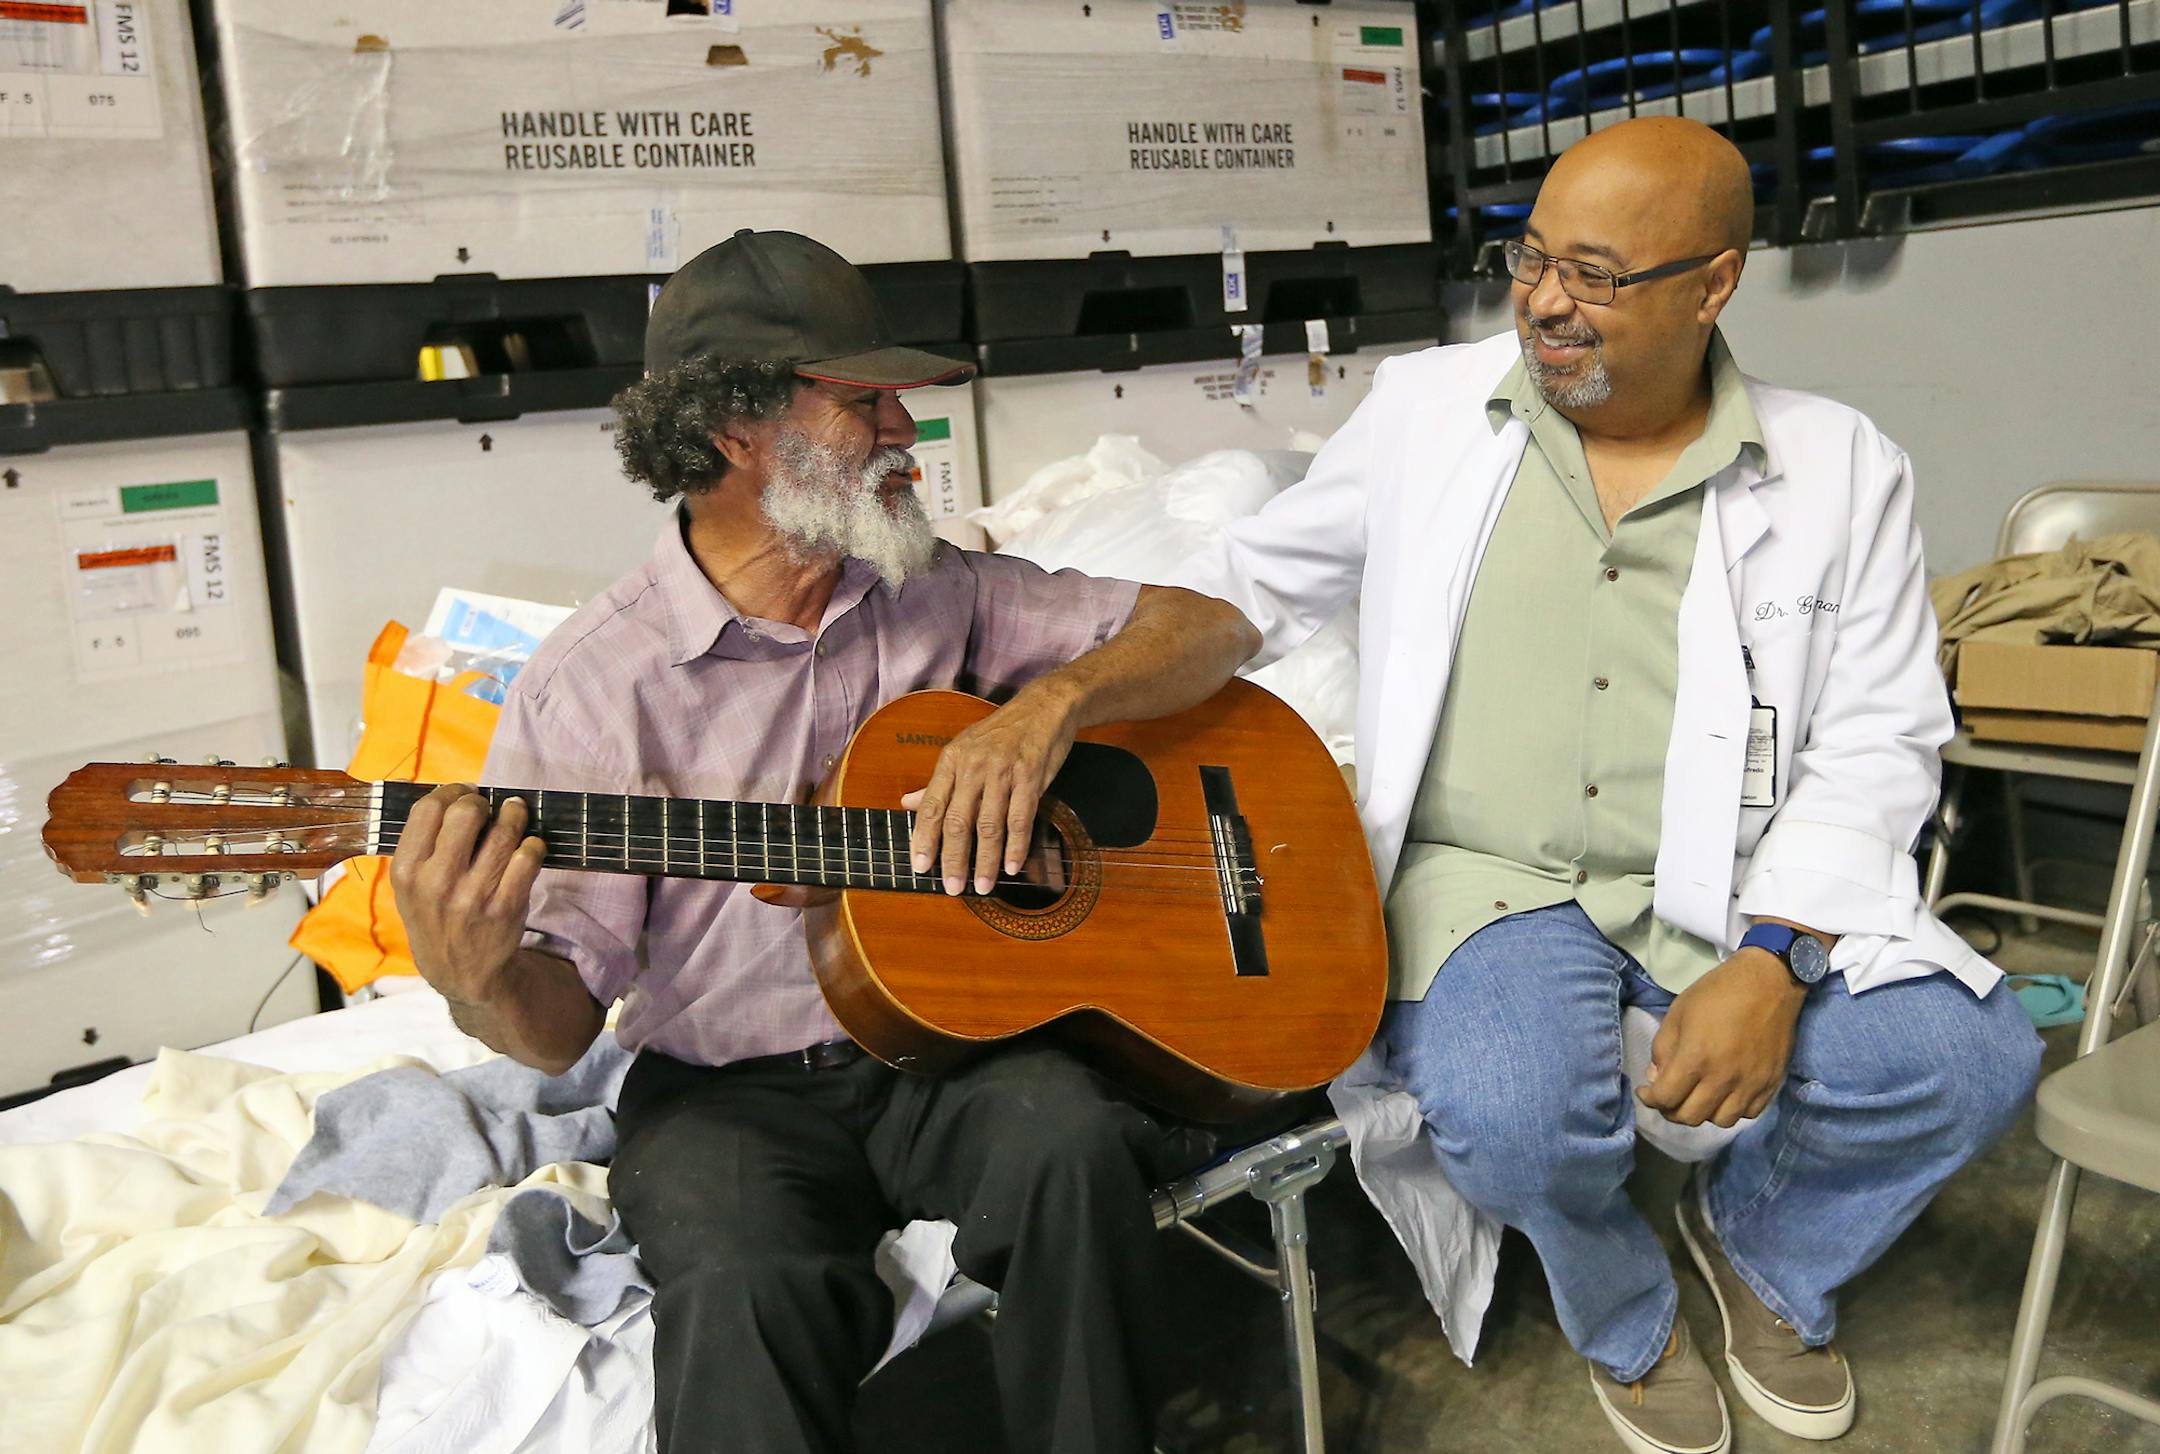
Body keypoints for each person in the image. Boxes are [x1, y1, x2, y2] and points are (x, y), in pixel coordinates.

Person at [1134, 118, 2043, 1454]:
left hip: (1735, 878)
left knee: (1973, 1059)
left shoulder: (1842, 465)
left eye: (1599, 274)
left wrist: (1778, 958)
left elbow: (1883, 733)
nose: (1548, 300)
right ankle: (1625, 1313)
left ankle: (1758, 1248)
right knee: (1508, 1116)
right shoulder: (1430, 411)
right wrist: (1055, 685)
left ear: (1713, 284)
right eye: (1534, 256)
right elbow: (1249, 586)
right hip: (1485, 880)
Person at [387, 229, 1256, 1454]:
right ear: (739, 430)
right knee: (747, 1288)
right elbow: (560, 1025)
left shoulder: (933, 588)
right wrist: (474, 974)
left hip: (946, 1050)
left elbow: (1212, 626)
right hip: (727, 1097)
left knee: (1074, 1145)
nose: (908, 424)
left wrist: (1044, 712)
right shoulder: (593, 687)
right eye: (866, 398)